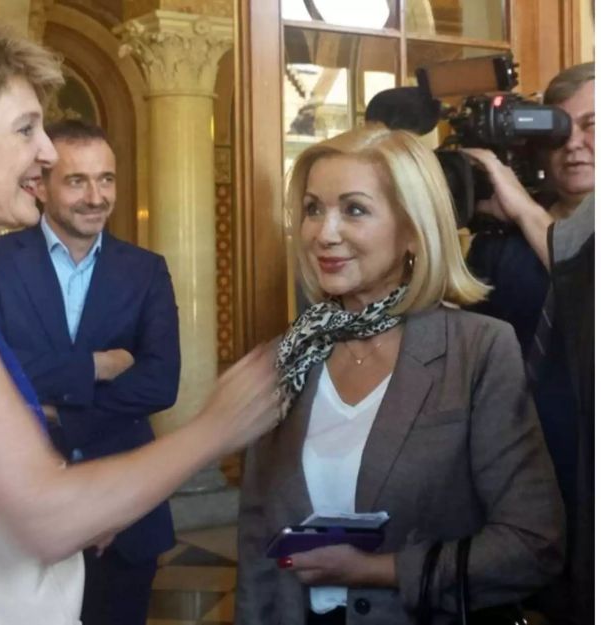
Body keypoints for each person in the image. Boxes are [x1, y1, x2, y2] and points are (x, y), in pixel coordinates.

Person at [0, 22, 279, 619]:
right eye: (24, 129)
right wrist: (215, 428)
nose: (47, 152)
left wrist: (88, 496)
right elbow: (46, 518)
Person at [234, 125, 565, 625]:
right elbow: (258, 543)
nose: (324, 232)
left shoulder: (478, 349)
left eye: (354, 209)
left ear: (413, 229)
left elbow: (533, 542)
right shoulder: (288, 354)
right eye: (313, 208)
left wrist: (381, 570)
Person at [0, 119, 179, 625]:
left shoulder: (145, 270)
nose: (96, 196)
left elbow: (160, 381)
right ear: (40, 186)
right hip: (21, 507)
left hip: (125, 512)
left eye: (106, 179)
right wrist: (97, 366)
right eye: (77, 180)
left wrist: (60, 412)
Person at [462, 63, 594, 625]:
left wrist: (520, 205)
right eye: (558, 131)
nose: (575, 145)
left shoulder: (529, 220)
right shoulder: (501, 242)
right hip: (509, 458)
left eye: (592, 126)